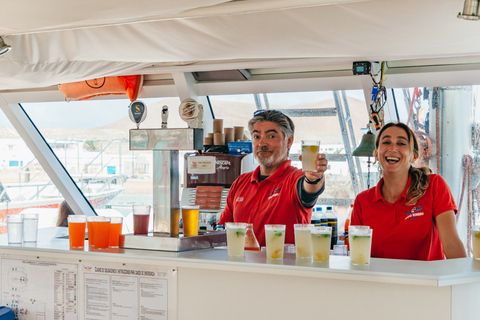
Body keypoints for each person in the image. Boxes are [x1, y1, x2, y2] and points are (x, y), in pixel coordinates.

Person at [351, 122, 466, 260]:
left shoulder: (434, 186)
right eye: (386, 142)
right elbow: (358, 257)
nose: (392, 148)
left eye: (401, 143)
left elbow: (452, 245)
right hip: (380, 281)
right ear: (376, 153)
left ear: (414, 156)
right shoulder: (362, 201)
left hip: (427, 281)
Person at [218, 110, 328, 246]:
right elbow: (223, 231)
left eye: (271, 136)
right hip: (242, 265)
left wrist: (314, 177)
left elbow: (309, 188)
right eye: (257, 136)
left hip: (284, 266)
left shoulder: (295, 178)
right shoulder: (241, 182)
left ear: (289, 141)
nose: (262, 143)